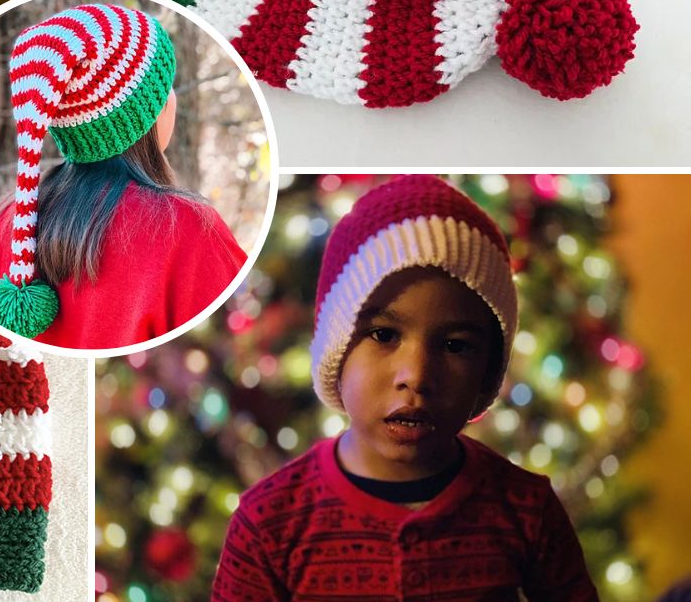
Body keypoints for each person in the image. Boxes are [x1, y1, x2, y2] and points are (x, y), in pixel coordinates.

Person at [212, 175, 598, 600]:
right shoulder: (268, 523)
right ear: (336, 349)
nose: (415, 375)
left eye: (455, 346)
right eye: (383, 335)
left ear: (488, 369)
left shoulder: (527, 510)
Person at [0, 3, 247, 350]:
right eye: (166, 86)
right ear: (146, 113)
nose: (173, 98)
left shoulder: (7, 224)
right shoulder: (187, 230)